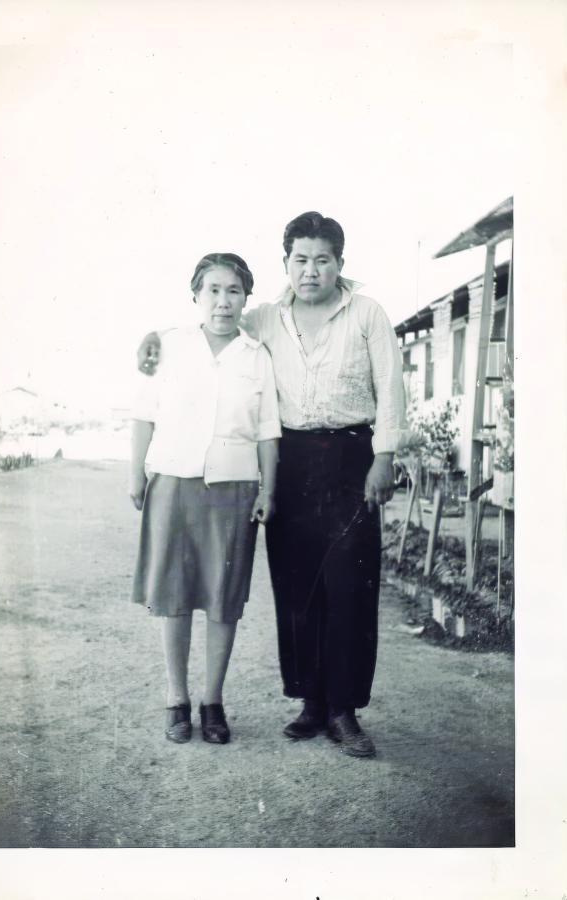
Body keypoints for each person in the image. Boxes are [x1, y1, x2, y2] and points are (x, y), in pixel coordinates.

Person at [136, 213, 406, 758]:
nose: (311, 271)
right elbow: (213, 324)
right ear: (286, 264)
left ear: (340, 264)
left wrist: (385, 457)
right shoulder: (264, 318)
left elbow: (392, 389)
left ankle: (344, 711)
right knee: (297, 589)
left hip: (353, 456)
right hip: (295, 460)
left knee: (349, 587)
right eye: (300, 260)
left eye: (322, 259)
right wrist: (152, 340)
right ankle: (310, 704)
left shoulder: (368, 315)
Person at [129, 252, 281, 746]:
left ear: (245, 298)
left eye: (233, 290)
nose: (223, 301)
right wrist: (137, 475)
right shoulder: (168, 346)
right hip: (173, 483)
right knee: (173, 598)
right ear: (196, 295)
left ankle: (212, 701)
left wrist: (268, 489)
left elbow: (267, 433)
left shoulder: (257, 356)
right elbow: (143, 414)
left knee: (223, 600)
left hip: (234, 489)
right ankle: (177, 699)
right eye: (213, 290)